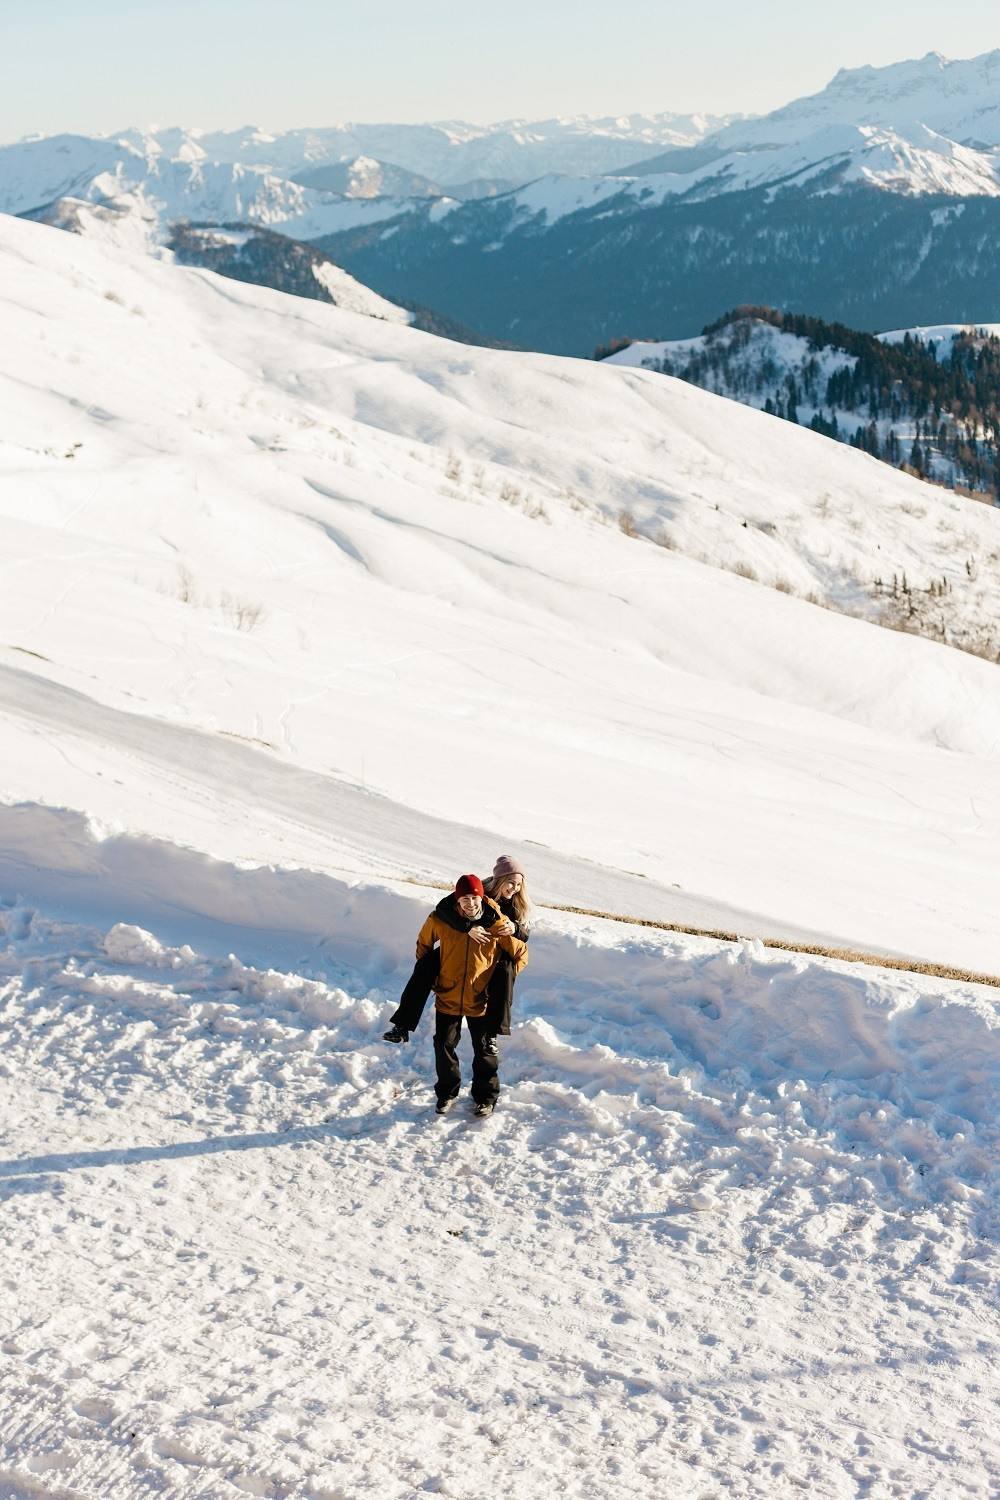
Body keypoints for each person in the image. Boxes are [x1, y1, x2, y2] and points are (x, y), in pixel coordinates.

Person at [384, 873, 526, 1116]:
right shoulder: (442, 920)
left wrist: (499, 980)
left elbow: (520, 955)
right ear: (457, 901)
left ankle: (485, 1098)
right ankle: (446, 1094)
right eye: (464, 899)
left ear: (482, 897)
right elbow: (423, 945)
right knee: (443, 1046)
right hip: (448, 995)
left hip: (481, 998)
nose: (470, 903)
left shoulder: (496, 924)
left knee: (484, 1050)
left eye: (474, 898)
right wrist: (433, 972)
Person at [482, 855, 531, 1037]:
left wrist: (515, 927)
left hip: (500, 951)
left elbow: (525, 933)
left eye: (519, 885)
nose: (515, 888)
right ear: (500, 880)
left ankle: (495, 1030)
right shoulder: (481, 895)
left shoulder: (516, 903)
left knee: (506, 970)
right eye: (511, 882)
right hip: (479, 946)